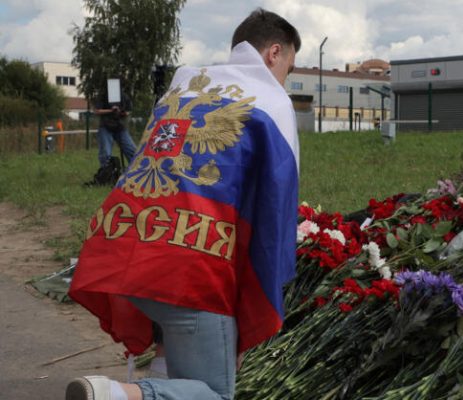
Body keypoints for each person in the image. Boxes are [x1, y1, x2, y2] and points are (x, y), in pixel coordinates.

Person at [66, 8, 300, 400]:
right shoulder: (272, 103)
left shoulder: (181, 86)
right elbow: (273, 217)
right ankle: (119, 395)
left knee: (173, 348)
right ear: (274, 53)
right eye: (288, 70)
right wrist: (255, 308)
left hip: (127, 245)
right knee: (215, 394)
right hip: (192, 262)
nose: (284, 81)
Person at [94, 89, 137, 167]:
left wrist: (123, 113)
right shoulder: (104, 95)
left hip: (120, 127)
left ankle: (136, 172)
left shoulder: (124, 96)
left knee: (132, 151)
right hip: (106, 126)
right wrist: (111, 110)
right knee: (105, 153)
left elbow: (128, 110)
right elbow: (97, 111)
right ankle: (106, 174)